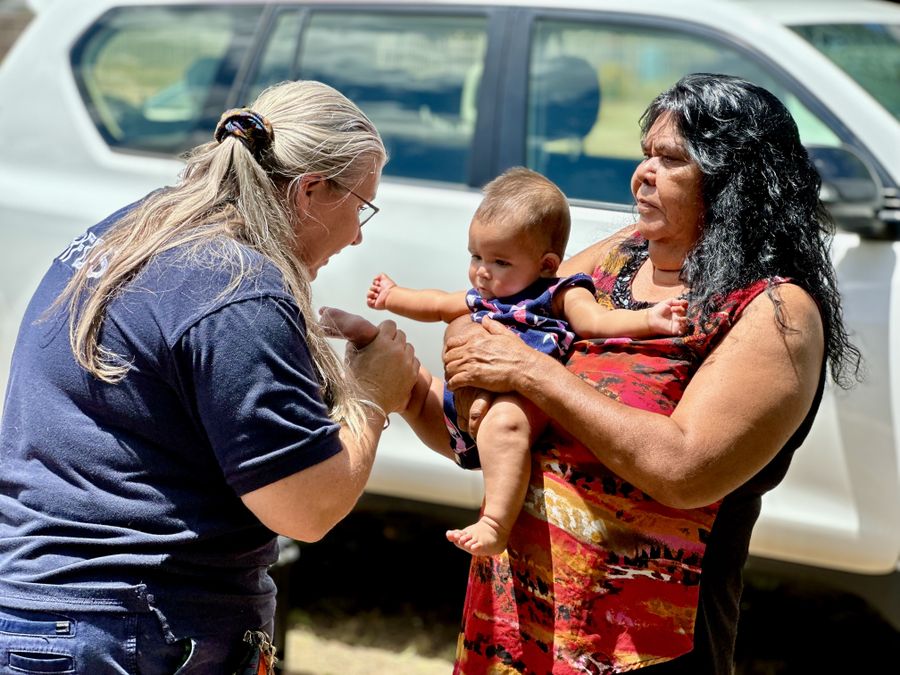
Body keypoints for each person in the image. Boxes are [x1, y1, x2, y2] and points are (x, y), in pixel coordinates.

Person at [400, 73, 861, 673]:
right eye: (645, 154)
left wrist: (534, 374)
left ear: (732, 180)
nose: (642, 173)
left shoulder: (776, 311)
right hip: (519, 618)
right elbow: (502, 316)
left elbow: (683, 469)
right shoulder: (623, 255)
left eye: (670, 159)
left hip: (642, 644)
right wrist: (446, 362)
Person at [0, 80, 419, 674]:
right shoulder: (236, 286)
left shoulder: (141, 225)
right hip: (129, 628)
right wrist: (373, 395)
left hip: (50, 613)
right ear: (311, 191)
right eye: (361, 205)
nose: (357, 234)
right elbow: (307, 507)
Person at [363, 167, 687, 556]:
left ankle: (495, 523)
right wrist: (393, 296)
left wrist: (650, 319)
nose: (482, 271)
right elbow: (434, 304)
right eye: (476, 255)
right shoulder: (484, 296)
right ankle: (361, 333)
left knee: (504, 424)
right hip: (470, 397)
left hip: (526, 398)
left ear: (547, 264)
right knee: (415, 382)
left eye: (500, 262)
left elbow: (597, 322)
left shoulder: (560, 293)